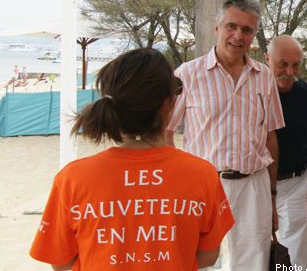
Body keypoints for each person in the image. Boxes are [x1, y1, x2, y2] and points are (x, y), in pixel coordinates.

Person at [29, 48, 234, 270]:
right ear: (168, 104)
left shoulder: (73, 179)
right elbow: (207, 257)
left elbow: (60, 263)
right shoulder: (202, 175)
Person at [165, 0, 285, 270]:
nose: (238, 36)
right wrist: (176, 183)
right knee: (200, 261)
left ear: (254, 35)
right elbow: (165, 131)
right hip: (203, 186)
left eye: (247, 30)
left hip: (253, 186)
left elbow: (271, 137)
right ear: (217, 28)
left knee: (254, 261)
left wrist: (273, 194)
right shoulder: (187, 74)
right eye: (231, 26)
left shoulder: (264, 76)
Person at [265, 35, 307, 269]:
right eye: (282, 64)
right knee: (254, 250)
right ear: (267, 59)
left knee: (295, 256)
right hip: (256, 184)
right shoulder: (253, 92)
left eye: (296, 65)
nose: (289, 72)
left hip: (294, 183)